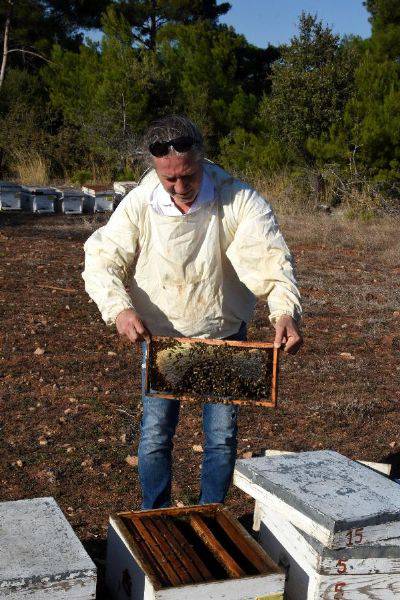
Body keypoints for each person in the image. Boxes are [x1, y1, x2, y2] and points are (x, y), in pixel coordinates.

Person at [82, 115, 302, 509]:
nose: (180, 187)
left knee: (220, 438)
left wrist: (284, 311)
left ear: (202, 159)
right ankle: (155, 513)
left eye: (188, 176)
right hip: (162, 336)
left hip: (224, 332)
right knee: (155, 435)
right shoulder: (138, 204)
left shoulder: (239, 198)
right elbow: (102, 259)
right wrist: (118, 309)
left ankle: (211, 513)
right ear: (155, 169)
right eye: (170, 180)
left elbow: (271, 257)